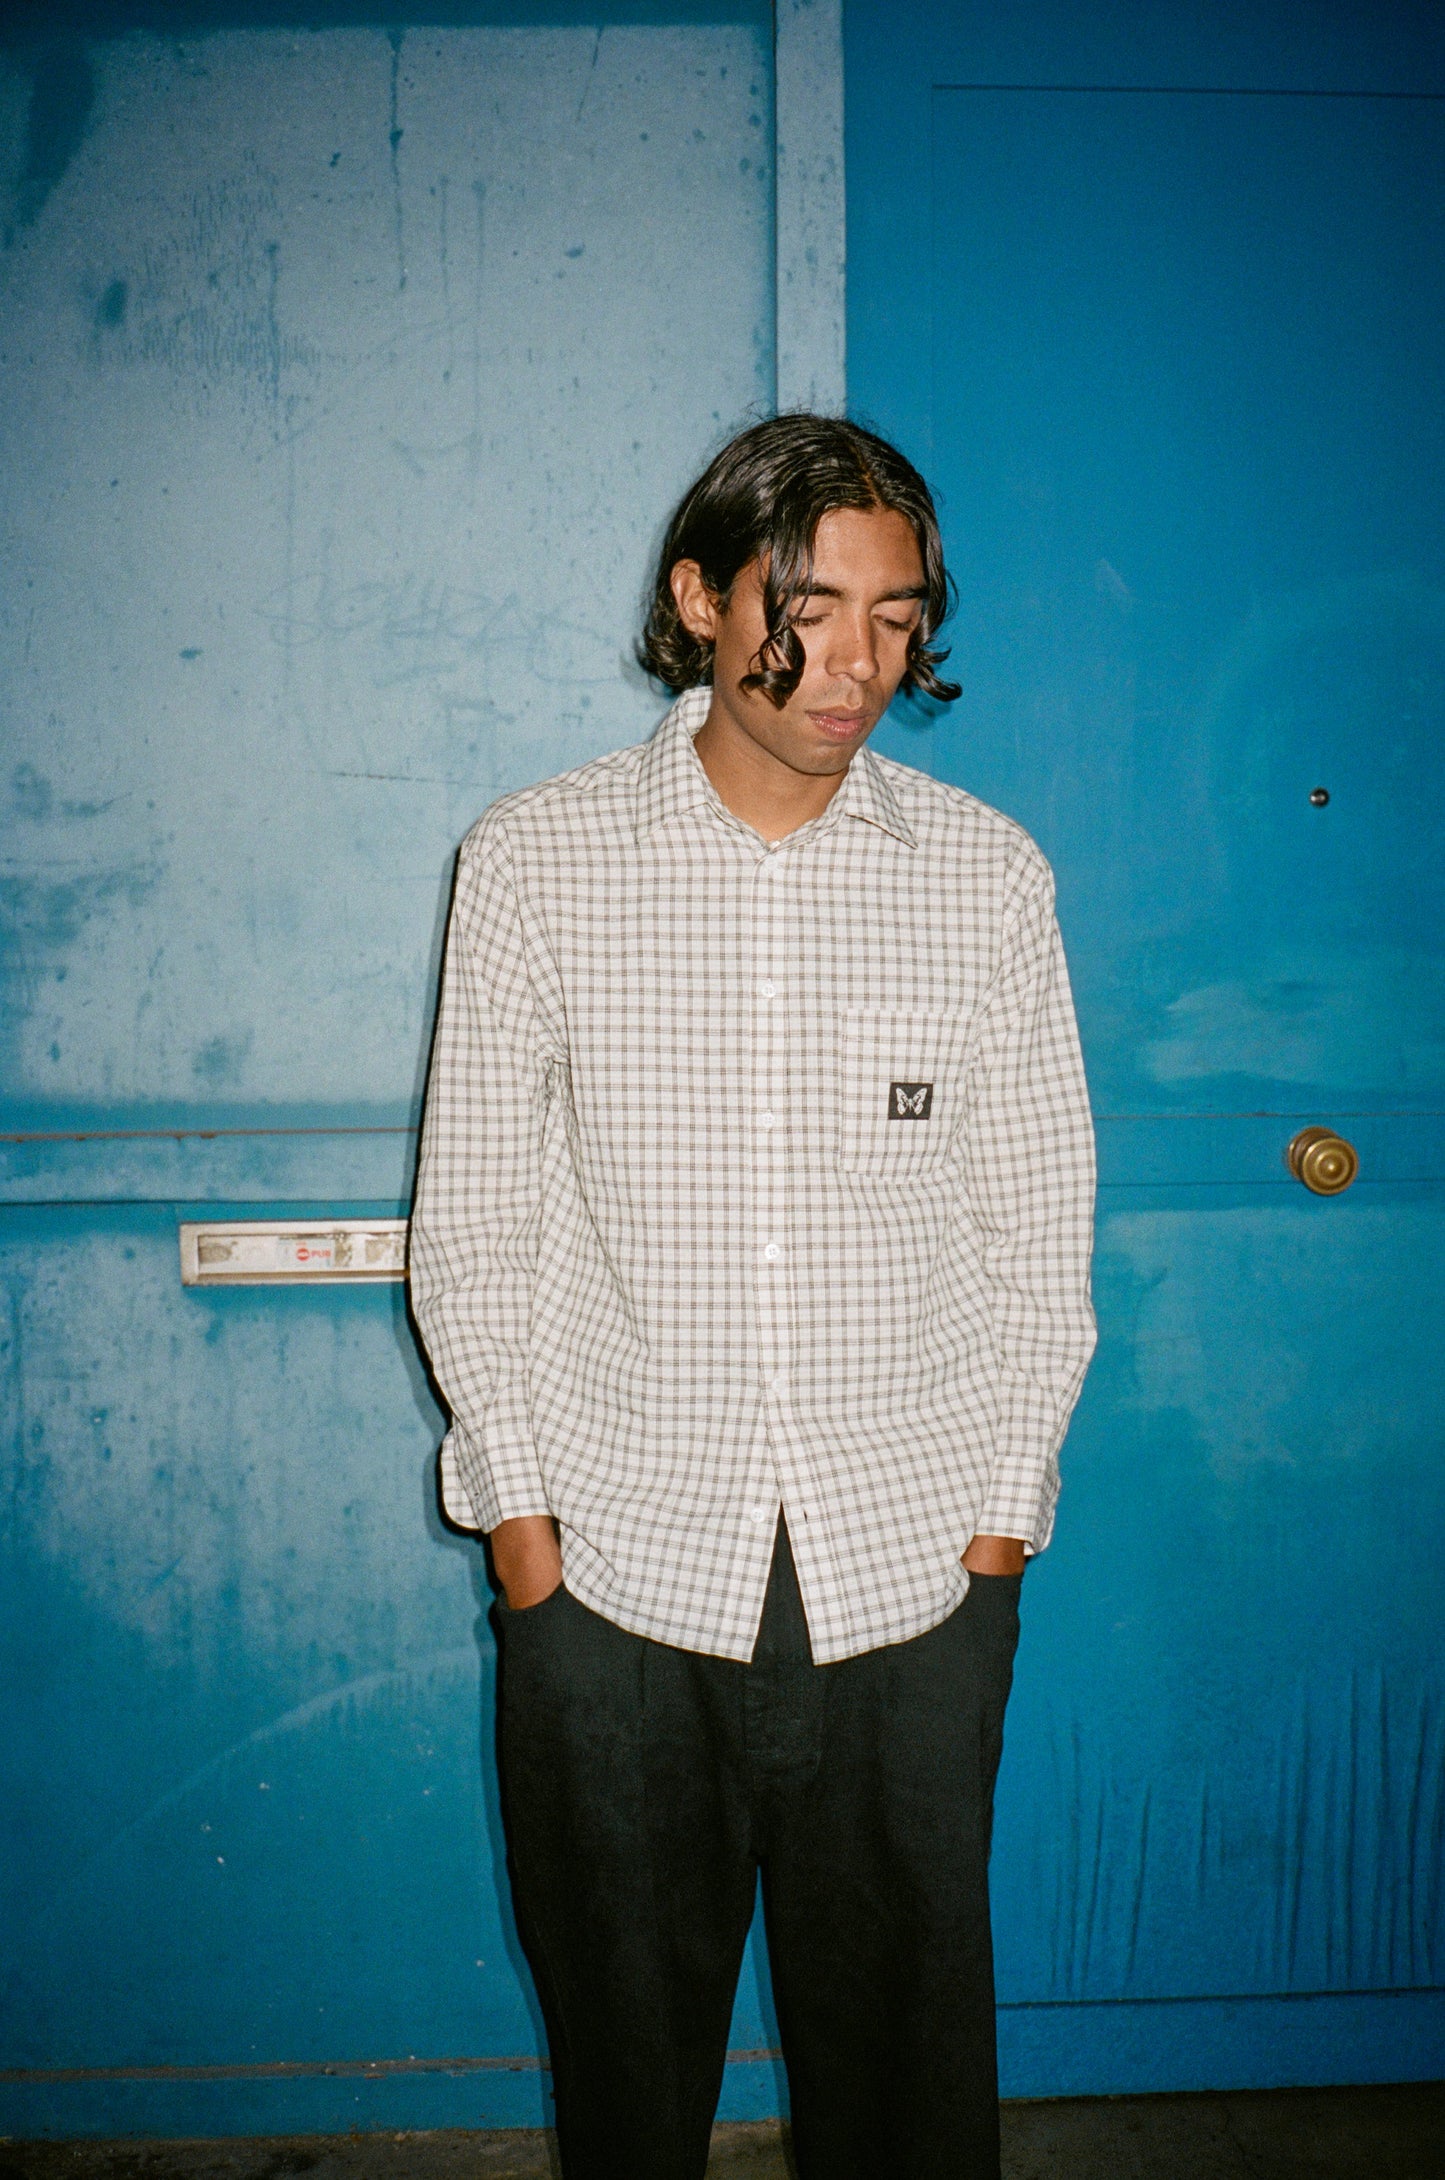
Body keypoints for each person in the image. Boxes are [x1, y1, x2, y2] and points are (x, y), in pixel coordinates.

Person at [408, 414, 1096, 2180]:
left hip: (912, 1570)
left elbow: (1037, 1232)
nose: (852, 661)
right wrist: (526, 1531)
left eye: (895, 614)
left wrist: (998, 1522)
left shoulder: (986, 880)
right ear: (701, 598)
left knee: (907, 2064)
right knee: (629, 2068)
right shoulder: (539, 861)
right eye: (807, 607)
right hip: (617, 1570)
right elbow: (474, 1220)